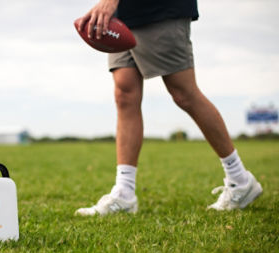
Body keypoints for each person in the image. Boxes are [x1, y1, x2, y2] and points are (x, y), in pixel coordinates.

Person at [75, 0, 262, 216]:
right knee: (125, 94)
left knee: (184, 93)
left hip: (160, 8)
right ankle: (124, 193)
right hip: (123, 13)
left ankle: (240, 179)